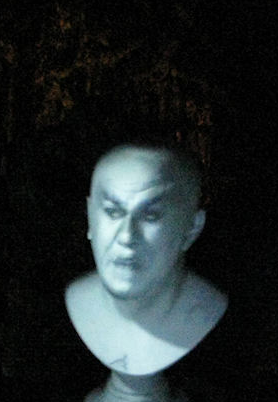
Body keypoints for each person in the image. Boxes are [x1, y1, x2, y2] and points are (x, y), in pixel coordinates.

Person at [66, 144, 227, 378]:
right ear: (90, 216)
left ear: (192, 228)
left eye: (150, 216)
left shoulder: (209, 310)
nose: (126, 236)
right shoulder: (72, 300)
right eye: (112, 212)